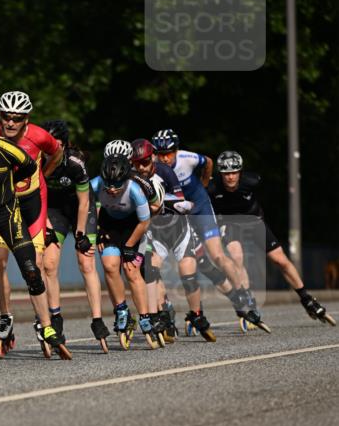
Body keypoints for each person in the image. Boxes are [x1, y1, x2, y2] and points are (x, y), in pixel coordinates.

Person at [0, 106, 71, 361]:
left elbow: (30, 171)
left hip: (7, 214)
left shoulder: (10, 151)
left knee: (31, 269)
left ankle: (47, 326)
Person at [207, 150, 335, 327]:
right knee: (236, 256)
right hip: (230, 224)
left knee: (280, 260)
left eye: (234, 172)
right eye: (226, 173)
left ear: (240, 172)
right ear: (220, 174)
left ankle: (307, 299)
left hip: (253, 221)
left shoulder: (252, 181)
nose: (230, 177)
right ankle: (248, 301)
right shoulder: (212, 188)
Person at [151, 129, 254, 320]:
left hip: (200, 207)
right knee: (196, 262)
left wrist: (204, 183)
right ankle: (191, 310)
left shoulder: (187, 159)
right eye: (160, 153)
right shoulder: (153, 166)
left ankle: (242, 294)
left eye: (169, 153)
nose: (164, 158)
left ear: (177, 150)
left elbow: (208, 162)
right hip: (180, 215)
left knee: (217, 255)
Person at [0, 91, 64, 349]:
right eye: (5, 117)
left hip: (34, 204)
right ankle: (5, 318)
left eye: (17, 118)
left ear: (26, 119)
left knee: (37, 264)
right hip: (3, 207)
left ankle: (42, 321)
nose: (10, 123)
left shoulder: (39, 135)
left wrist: (44, 173)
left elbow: (57, 153)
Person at [130, 139, 216, 342]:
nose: (141, 167)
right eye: (136, 163)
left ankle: (196, 314)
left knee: (188, 275)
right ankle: (162, 314)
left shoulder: (165, 172)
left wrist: (165, 205)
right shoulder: (131, 178)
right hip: (155, 232)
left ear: (152, 158)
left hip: (178, 229)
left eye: (144, 162)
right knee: (151, 271)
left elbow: (181, 202)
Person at [39, 119, 110, 351]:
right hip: (54, 209)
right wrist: (46, 224)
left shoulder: (75, 163)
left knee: (85, 261)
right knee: (49, 264)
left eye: (55, 143)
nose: (50, 148)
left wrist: (81, 234)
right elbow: (35, 197)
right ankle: (55, 318)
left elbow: (84, 202)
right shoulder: (37, 160)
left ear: (64, 143)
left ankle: (98, 319)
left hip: (82, 208)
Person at [91, 140, 164, 349]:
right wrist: (96, 232)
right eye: (108, 185)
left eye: (117, 185)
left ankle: (145, 317)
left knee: (131, 270)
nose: (112, 189)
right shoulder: (96, 183)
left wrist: (131, 246)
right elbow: (88, 207)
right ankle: (122, 311)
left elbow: (146, 219)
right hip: (110, 225)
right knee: (109, 265)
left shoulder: (137, 186)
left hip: (135, 226)